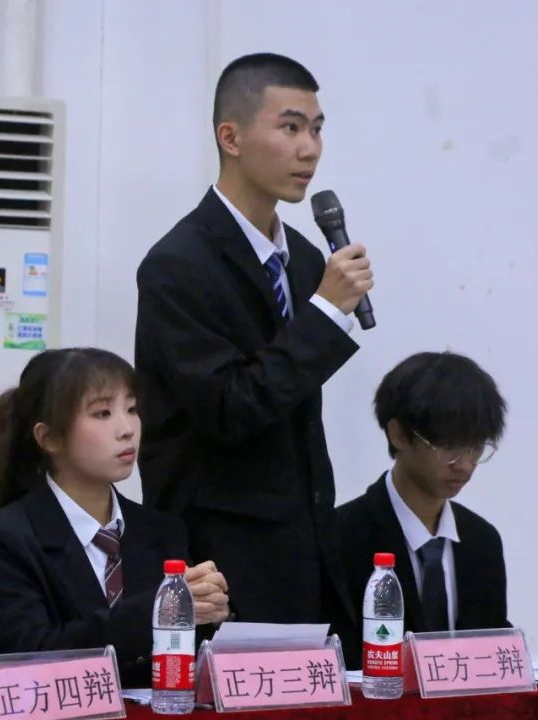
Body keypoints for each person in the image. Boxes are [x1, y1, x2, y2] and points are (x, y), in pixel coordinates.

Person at [134, 52, 373, 637]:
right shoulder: (177, 264)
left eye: (316, 130)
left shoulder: (305, 259)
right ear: (231, 137)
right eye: (290, 127)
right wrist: (324, 312)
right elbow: (230, 408)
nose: (309, 149)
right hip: (219, 558)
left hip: (305, 546)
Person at [0, 348, 230, 686]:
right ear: (49, 437)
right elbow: (25, 656)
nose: (127, 429)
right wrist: (156, 611)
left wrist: (210, 613)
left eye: (132, 409)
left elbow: (185, 658)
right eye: (102, 413)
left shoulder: (162, 529)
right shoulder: (2, 539)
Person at [338, 351, 510, 649]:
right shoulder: (338, 537)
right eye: (448, 446)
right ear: (399, 435)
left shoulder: (482, 541)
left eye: (475, 448)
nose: (464, 465)